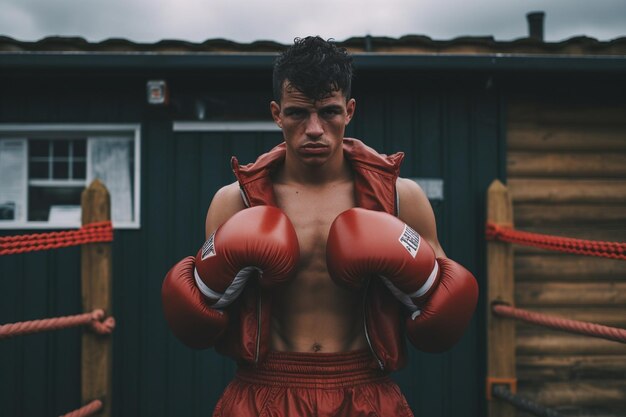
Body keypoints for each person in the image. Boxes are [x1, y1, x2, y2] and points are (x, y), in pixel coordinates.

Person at [162, 36, 478, 417]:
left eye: (328, 112)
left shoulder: (399, 199)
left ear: (350, 110)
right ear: (277, 113)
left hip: (363, 390)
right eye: (298, 113)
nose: (314, 129)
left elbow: (441, 313)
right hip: (265, 389)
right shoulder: (235, 202)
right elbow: (200, 318)